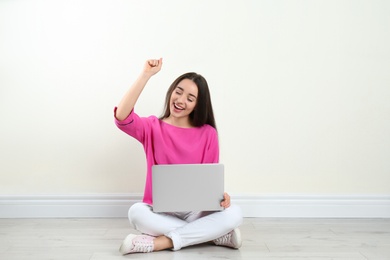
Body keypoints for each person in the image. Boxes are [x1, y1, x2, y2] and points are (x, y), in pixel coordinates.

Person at [114, 58, 243, 254]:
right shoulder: (151, 127)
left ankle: (160, 243)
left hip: (196, 212)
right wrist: (145, 75)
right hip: (160, 210)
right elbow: (122, 116)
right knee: (136, 213)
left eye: (190, 98)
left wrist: (220, 197)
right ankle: (213, 235)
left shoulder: (208, 133)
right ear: (171, 92)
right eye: (178, 92)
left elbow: (208, 181)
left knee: (235, 213)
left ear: (198, 105)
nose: (181, 100)